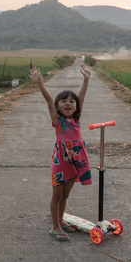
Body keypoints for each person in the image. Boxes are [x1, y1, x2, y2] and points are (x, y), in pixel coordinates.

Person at [28, 64, 92, 241]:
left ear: (76, 106)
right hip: (60, 164)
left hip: (75, 162)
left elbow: (81, 97)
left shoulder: (77, 119)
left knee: (66, 195)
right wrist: (40, 82)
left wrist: (86, 80)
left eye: (71, 101)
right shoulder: (58, 121)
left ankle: (61, 221)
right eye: (64, 101)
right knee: (57, 195)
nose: (68, 103)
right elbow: (49, 100)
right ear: (57, 107)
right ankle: (55, 226)